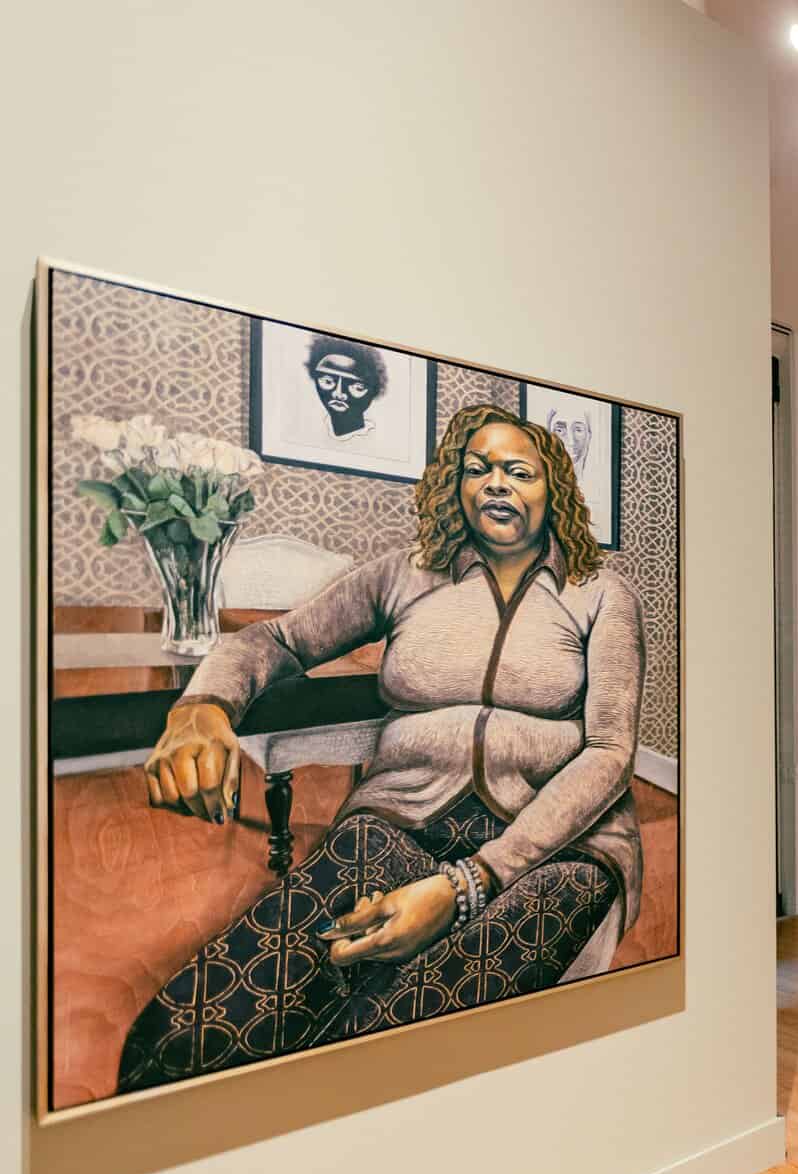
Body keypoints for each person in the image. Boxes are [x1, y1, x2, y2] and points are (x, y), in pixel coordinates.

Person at [120, 403, 645, 1093]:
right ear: (454, 486)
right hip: (400, 820)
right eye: (477, 468)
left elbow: (609, 751)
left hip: (560, 846)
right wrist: (205, 704)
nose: (495, 484)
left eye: (519, 471)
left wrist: (468, 885)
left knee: (388, 1034)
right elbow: (274, 642)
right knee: (186, 1037)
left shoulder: (602, 594)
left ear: (554, 491)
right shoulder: (402, 574)